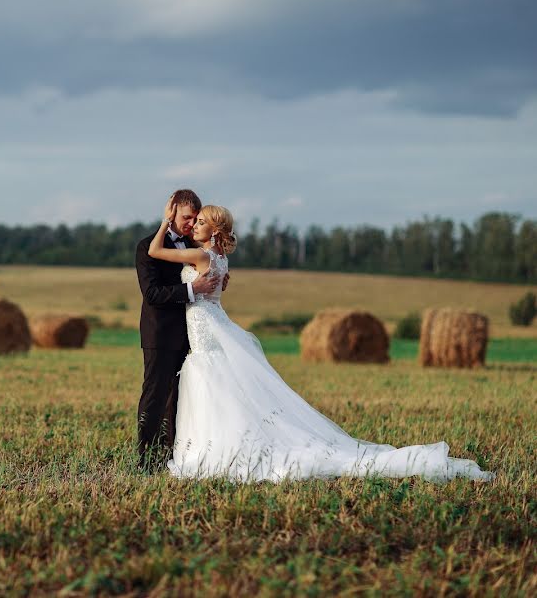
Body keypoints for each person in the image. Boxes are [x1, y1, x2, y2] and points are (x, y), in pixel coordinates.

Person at [146, 197, 496, 483]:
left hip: (206, 329)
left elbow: (155, 253)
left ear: (213, 229)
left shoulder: (203, 255)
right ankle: (212, 449)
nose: (195, 226)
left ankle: (213, 453)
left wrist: (164, 223)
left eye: (201, 221)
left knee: (213, 387)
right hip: (210, 324)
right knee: (223, 389)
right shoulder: (219, 259)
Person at [134, 189, 225, 472]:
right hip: (160, 335)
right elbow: (152, 293)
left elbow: (212, 265)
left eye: (194, 219)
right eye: (186, 218)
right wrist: (191, 289)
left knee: (181, 401)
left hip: (193, 334)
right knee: (155, 396)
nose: (190, 224)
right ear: (171, 213)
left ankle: (173, 458)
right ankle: (146, 461)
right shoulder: (147, 246)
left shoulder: (194, 244)